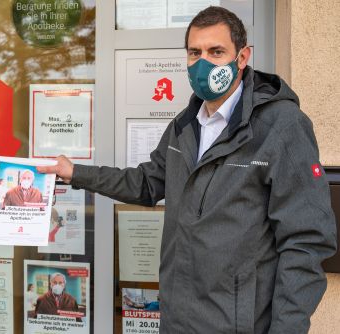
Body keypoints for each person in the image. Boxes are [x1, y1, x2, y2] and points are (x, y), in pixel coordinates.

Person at [38, 6, 337, 333]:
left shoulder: (281, 126)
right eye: (195, 52)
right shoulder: (185, 125)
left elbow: (306, 243)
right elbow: (146, 183)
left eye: (216, 51)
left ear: (242, 57)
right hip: (178, 320)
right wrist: (74, 172)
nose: (204, 62)